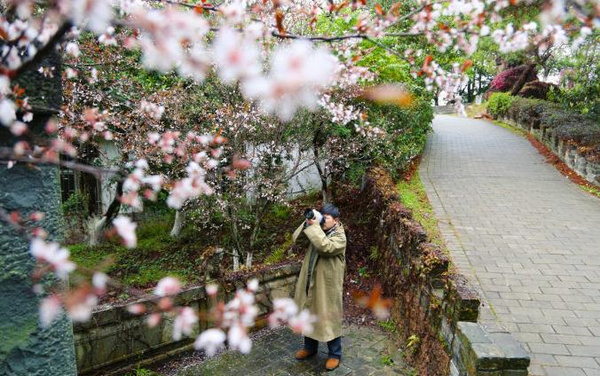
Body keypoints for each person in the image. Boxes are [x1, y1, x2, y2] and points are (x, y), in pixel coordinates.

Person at [292, 204, 346, 371]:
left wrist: (315, 228)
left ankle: (335, 354)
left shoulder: (340, 237)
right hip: (310, 279)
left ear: (336, 221)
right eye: (321, 216)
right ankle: (310, 348)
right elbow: (298, 239)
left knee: (328, 316)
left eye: (326, 218)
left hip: (327, 285)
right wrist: (308, 223)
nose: (322, 220)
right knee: (309, 312)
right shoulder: (318, 229)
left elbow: (325, 247)